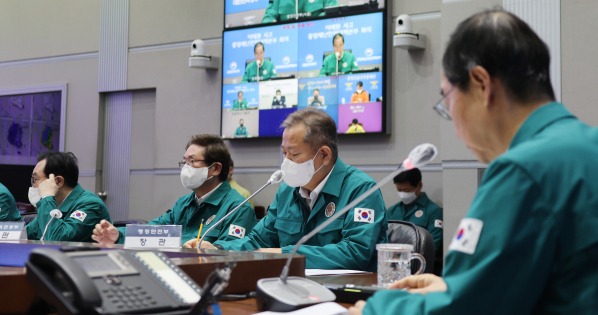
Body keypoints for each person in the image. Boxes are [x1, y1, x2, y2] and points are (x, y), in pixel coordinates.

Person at [351, 10, 598, 315]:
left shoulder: (524, 169)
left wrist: (377, 310)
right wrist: (455, 288)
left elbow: (465, 311)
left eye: (447, 102)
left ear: (480, 84)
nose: (455, 126)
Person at [185, 108, 388, 270]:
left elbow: (355, 253)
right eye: (284, 153)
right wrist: (218, 248)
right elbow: (258, 239)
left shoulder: (361, 190)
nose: (286, 162)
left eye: (294, 154)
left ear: (324, 155)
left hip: (348, 295)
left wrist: (286, 254)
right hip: (290, 286)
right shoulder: (287, 191)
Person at [92, 135, 256, 247]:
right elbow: (154, 230)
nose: (185, 168)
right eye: (184, 162)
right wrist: (118, 235)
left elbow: (232, 256)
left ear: (215, 169)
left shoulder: (237, 208)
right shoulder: (184, 203)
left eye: (192, 161)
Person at [27, 152, 111, 242]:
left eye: (35, 179)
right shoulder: (55, 205)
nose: (33, 186)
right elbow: (25, 234)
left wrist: (47, 197)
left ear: (58, 181)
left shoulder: (90, 204)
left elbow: (56, 240)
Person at [387, 168, 443, 258]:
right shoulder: (392, 210)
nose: (403, 194)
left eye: (407, 190)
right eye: (399, 190)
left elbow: (432, 247)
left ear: (419, 186)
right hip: (391, 261)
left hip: (418, 263)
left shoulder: (433, 211)